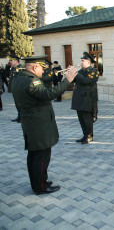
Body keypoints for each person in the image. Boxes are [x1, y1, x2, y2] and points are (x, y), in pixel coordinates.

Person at [11, 55, 77, 195]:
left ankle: (39, 182)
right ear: (35, 67)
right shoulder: (32, 81)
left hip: (31, 122)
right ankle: (40, 187)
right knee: (41, 156)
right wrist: (68, 81)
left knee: (34, 155)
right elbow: (49, 94)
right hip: (38, 124)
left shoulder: (18, 78)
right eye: (42, 68)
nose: (43, 72)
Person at [72, 52, 99, 144]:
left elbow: (86, 81)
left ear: (88, 62)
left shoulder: (94, 71)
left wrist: (76, 74)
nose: (81, 62)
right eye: (81, 61)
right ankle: (84, 135)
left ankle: (89, 136)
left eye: (83, 61)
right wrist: (71, 73)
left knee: (87, 119)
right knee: (81, 118)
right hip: (79, 98)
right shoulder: (81, 71)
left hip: (87, 98)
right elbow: (74, 80)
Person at [9, 56, 23, 122]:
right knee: (17, 103)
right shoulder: (13, 68)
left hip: (18, 89)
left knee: (20, 103)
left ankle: (22, 117)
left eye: (11, 61)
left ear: (15, 61)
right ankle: (19, 116)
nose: (10, 62)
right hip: (14, 89)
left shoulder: (19, 68)